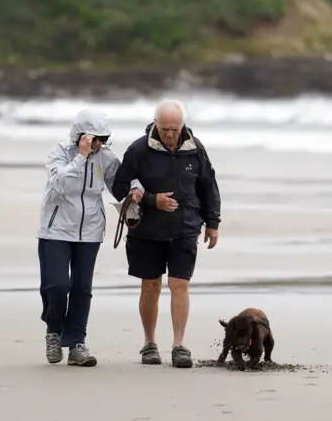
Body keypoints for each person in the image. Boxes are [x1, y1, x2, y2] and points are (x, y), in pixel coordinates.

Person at [111, 99, 221, 368]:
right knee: (151, 286)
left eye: (174, 129)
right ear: (155, 123)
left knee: (180, 284)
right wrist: (151, 200)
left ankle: (179, 345)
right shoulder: (138, 150)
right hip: (146, 231)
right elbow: (119, 187)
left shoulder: (195, 149)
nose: (170, 134)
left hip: (185, 227)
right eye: (165, 129)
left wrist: (213, 221)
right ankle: (149, 343)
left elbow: (208, 185)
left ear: (182, 125)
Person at [37, 109, 142, 366]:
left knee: (82, 289)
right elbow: (61, 184)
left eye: (103, 139)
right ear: (81, 136)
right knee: (57, 285)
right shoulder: (60, 153)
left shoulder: (106, 157)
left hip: (91, 231)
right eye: (95, 139)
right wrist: (81, 157)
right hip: (56, 230)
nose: (99, 145)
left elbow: (120, 183)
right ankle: (53, 331)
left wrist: (135, 189)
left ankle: (76, 345)